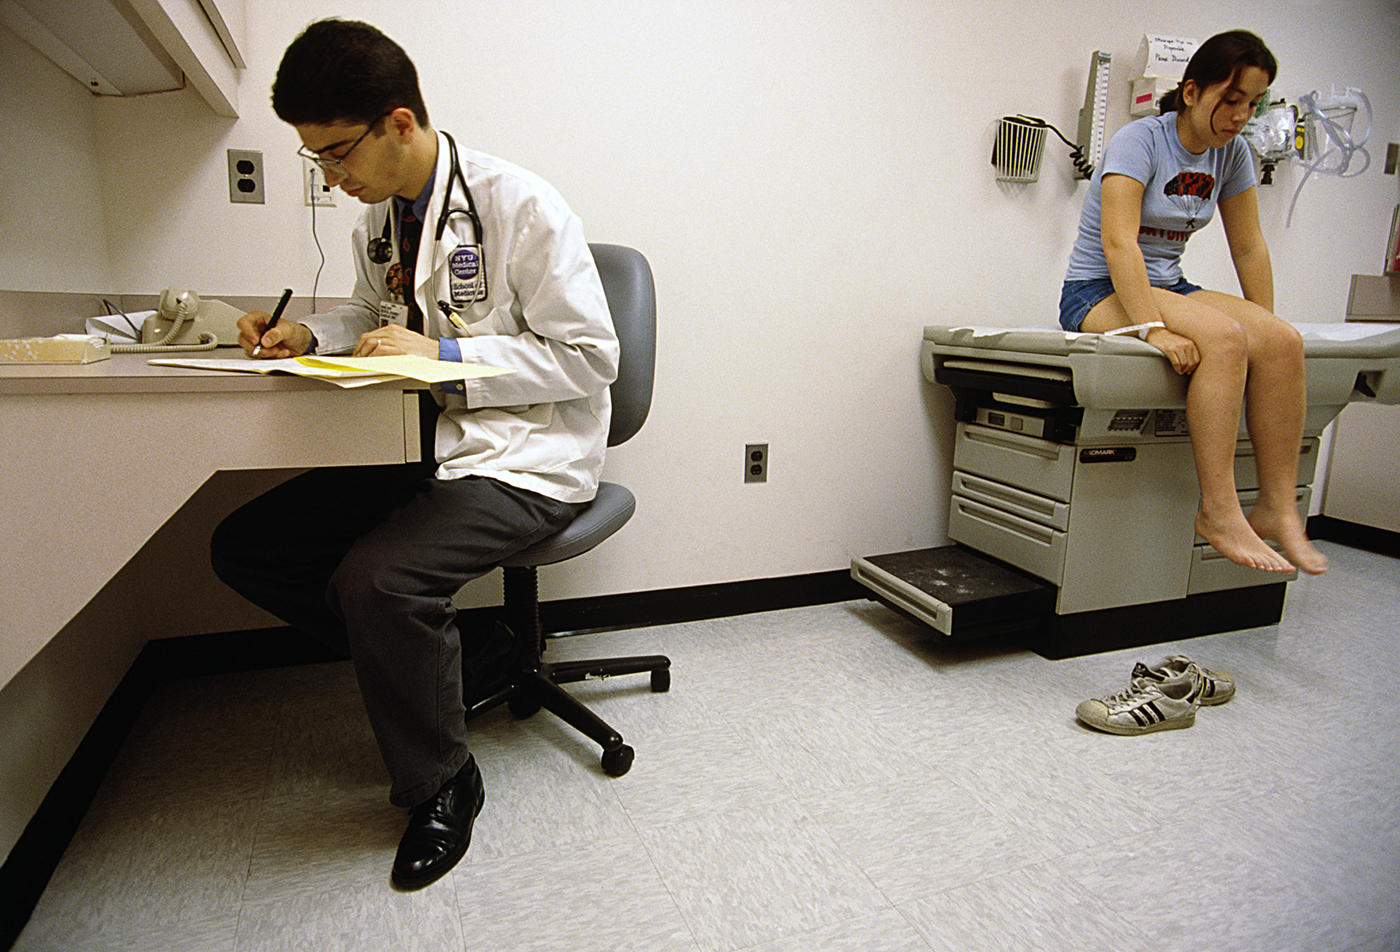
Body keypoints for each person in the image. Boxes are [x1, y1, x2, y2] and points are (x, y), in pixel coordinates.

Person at [210, 19, 619, 890]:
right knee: (247, 547)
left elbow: (590, 357)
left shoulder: (522, 206)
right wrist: (305, 332)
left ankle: (442, 780)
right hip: (430, 445)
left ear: (399, 123)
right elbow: (370, 315)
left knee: (379, 582)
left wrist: (447, 358)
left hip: (527, 453)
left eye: (336, 153)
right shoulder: (385, 219)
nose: (330, 177)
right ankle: (468, 660)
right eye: (314, 161)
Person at [1059, 29, 1327, 576]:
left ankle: (1277, 508)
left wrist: (1265, 327)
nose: (1239, 115)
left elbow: (1249, 247)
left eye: (1252, 104)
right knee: (1225, 339)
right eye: (1230, 100)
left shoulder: (1234, 155)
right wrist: (1152, 330)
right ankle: (1219, 511)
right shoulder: (1141, 141)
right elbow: (1118, 243)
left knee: (1282, 341)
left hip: (1168, 286)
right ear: (1191, 92)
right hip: (1098, 288)